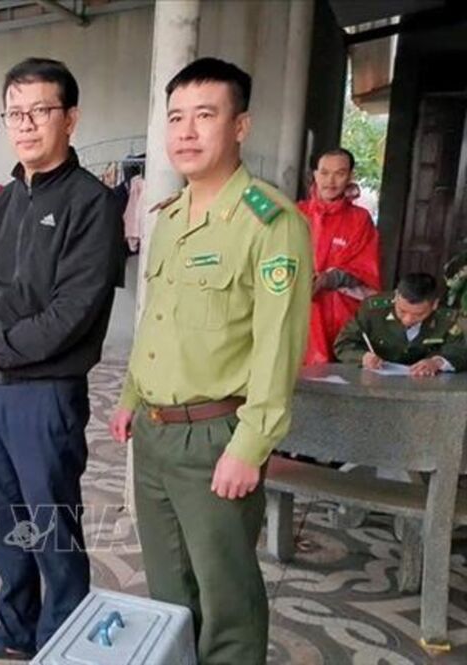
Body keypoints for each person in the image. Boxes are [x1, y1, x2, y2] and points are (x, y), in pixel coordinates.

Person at [109, 57, 312, 665]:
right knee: (169, 587)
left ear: (240, 126)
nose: (186, 132)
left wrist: (251, 445)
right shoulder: (170, 217)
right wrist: (130, 397)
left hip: (215, 436)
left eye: (205, 115)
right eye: (176, 118)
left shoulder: (269, 222)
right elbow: (158, 320)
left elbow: (279, 345)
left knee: (225, 595)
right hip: (155, 432)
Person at [0, 57, 123, 661]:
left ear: (70, 119)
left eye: (40, 111)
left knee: (51, 524)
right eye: (14, 113)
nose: (25, 124)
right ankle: (16, 629)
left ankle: (61, 641)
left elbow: (72, 312)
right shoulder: (1, 203)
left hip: (46, 392)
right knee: (4, 520)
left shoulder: (92, 203)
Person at [298, 147, 381, 364]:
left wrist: (329, 279)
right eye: (324, 173)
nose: (330, 181)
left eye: (340, 173)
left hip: (340, 314)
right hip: (299, 310)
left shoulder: (360, 219)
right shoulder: (296, 213)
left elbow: (365, 271)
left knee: (337, 372)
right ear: (315, 174)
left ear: (350, 176)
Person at [334, 272, 467, 375]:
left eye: (418, 314)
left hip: (424, 385)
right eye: (402, 311)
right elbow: (343, 344)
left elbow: (460, 351)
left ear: (434, 305)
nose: (407, 319)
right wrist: (363, 357)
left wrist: (437, 362)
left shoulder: (447, 318)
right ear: (396, 296)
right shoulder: (373, 310)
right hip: (372, 381)